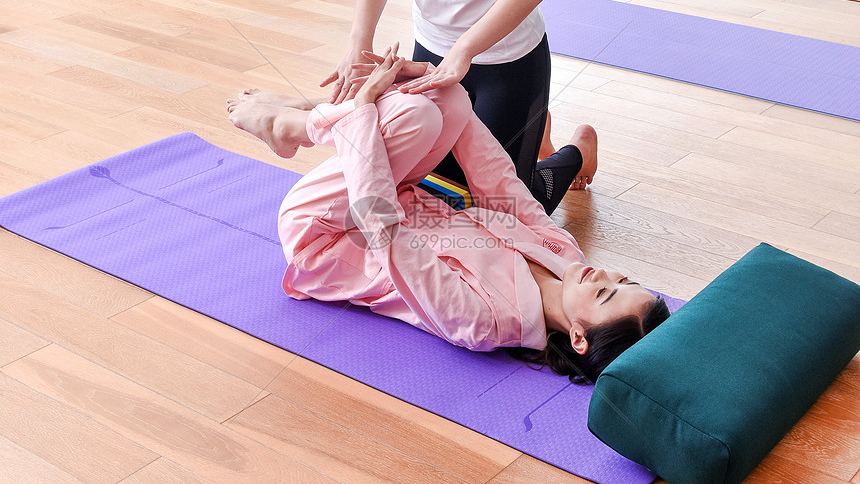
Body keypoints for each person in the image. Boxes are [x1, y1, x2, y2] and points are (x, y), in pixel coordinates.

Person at [226, 48, 669, 384]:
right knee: (446, 97)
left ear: (578, 337)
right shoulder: (565, 255)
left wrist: (361, 112)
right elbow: (500, 184)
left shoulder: (483, 321)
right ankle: (308, 116)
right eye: (621, 279)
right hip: (395, 199)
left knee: (414, 114)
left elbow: (382, 229)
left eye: (605, 296)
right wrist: (445, 88)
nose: (602, 275)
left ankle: (294, 122)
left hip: (325, 235)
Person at [305, 0, 587, 211]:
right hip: (431, 57)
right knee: (435, 197)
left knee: (505, 213)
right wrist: (358, 42)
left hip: (509, 63)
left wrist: (464, 49)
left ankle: (576, 153)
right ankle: (533, 130)